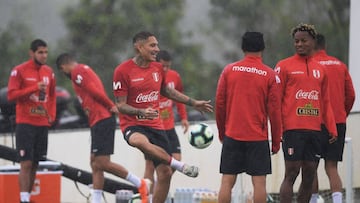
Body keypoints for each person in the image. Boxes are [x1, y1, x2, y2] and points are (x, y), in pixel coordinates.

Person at [113, 31, 213, 203]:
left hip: (156, 125)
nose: (157, 49)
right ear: (139, 47)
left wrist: (193, 102)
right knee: (140, 142)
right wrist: (141, 112)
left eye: (157, 45)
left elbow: (166, 90)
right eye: (152, 45)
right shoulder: (122, 71)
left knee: (165, 174)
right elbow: (120, 105)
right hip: (133, 124)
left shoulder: (158, 68)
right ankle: (179, 165)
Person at [55, 53, 151, 203]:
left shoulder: (77, 72)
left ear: (64, 67)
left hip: (102, 118)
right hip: (97, 120)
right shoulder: (82, 70)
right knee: (94, 161)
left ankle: (140, 183)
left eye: (62, 71)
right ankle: (96, 199)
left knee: (102, 162)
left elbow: (94, 90)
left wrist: (110, 105)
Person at [215, 31, 282, 203]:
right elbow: (275, 111)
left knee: (227, 181)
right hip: (257, 137)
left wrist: (223, 132)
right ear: (263, 48)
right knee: (259, 182)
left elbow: (220, 104)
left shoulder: (229, 70)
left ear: (242, 48)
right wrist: (275, 140)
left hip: (233, 134)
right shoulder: (270, 74)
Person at [276, 23, 338, 203]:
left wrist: (332, 127)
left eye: (303, 41)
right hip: (292, 130)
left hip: (315, 131)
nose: (299, 44)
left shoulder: (321, 69)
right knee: (292, 172)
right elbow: (276, 100)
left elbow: (325, 101)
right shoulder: (283, 66)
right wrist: (278, 129)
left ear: (313, 42)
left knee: (310, 174)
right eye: (296, 41)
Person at [7, 39, 56, 203]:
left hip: (42, 123)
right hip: (25, 123)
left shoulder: (49, 71)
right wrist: (34, 88)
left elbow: (53, 95)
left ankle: (27, 197)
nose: (44, 56)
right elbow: (11, 95)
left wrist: (52, 115)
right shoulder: (19, 71)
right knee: (26, 163)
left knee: (36, 162)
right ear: (32, 53)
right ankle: (24, 198)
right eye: (40, 52)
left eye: (46, 52)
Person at [309, 34, 355, 203]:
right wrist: (342, 114)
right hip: (338, 122)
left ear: (312, 45)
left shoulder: (311, 65)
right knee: (332, 167)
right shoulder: (340, 65)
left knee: (311, 167)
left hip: (316, 123)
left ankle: (313, 201)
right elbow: (351, 95)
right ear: (324, 45)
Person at [143, 50, 190, 195]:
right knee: (150, 165)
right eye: (163, 66)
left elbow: (179, 97)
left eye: (168, 66)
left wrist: (183, 117)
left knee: (176, 158)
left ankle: (158, 185)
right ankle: (147, 197)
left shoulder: (175, 76)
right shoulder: (148, 76)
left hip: (169, 126)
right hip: (153, 127)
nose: (165, 69)